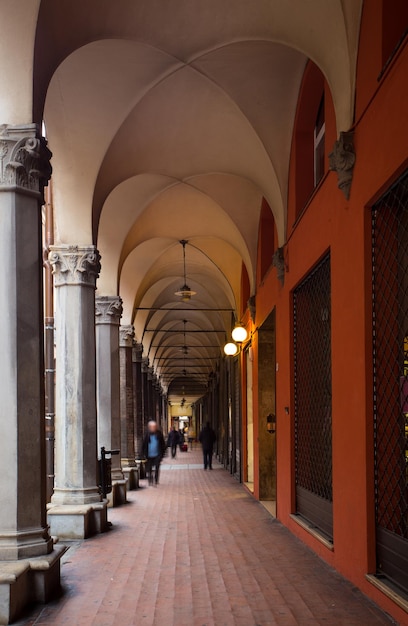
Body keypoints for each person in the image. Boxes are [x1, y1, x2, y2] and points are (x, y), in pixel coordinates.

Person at [142, 421, 166, 486]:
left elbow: (163, 444)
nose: (153, 428)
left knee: (157, 467)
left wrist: (162, 454)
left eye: (154, 427)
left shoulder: (159, 434)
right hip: (149, 455)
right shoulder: (147, 435)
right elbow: (144, 444)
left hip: (157, 454)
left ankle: (156, 479)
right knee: (149, 468)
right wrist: (143, 453)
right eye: (151, 427)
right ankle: (150, 479)